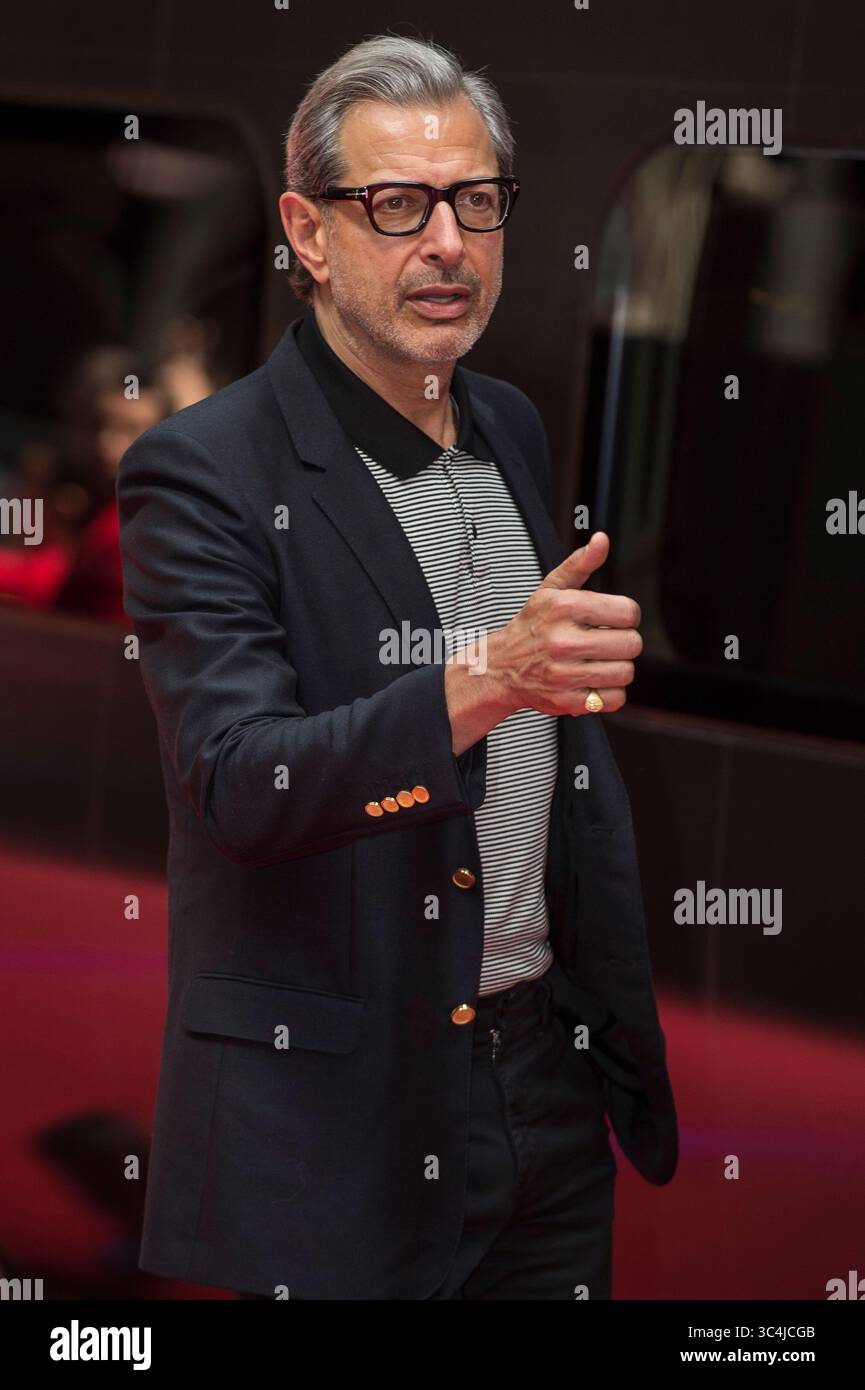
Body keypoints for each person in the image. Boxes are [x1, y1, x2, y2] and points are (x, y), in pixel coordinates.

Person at [117, 33, 677, 1302]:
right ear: (307, 234)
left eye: (476, 202)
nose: (447, 243)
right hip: (335, 1112)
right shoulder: (206, 471)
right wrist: (491, 678)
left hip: (543, 1084)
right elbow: (241, 784)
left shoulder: (507, 423)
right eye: (396, 206)